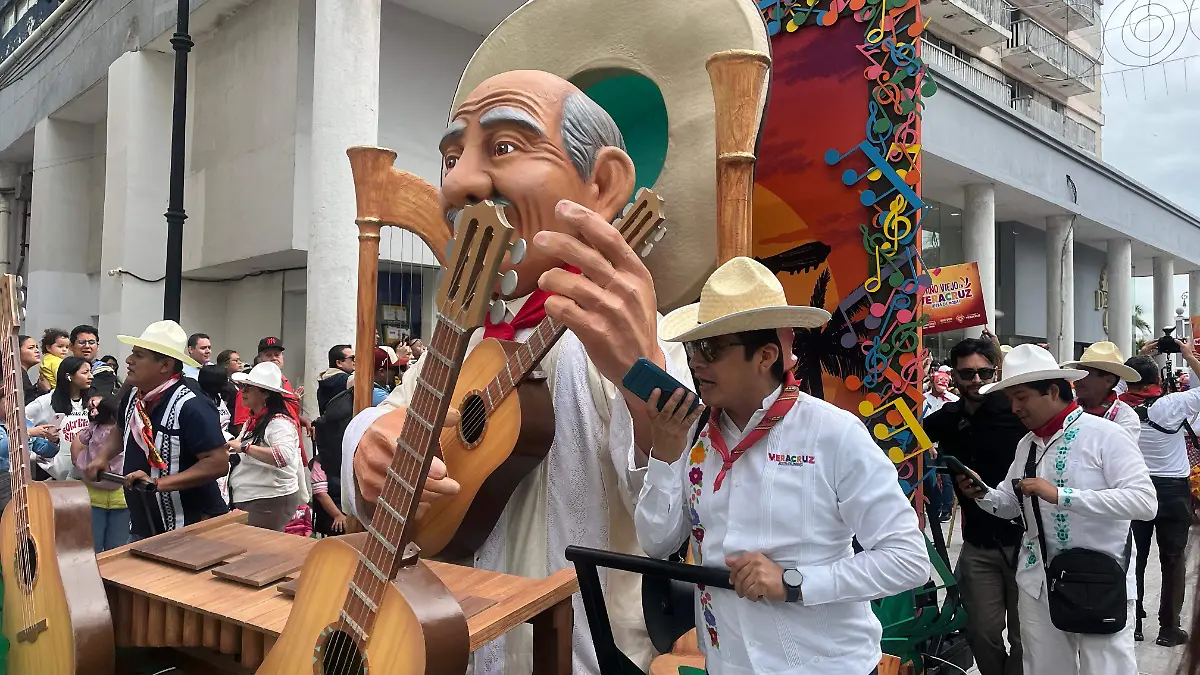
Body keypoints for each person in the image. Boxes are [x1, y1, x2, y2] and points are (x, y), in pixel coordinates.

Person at [346, 68, 692, 674]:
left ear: (602, 184)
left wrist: (643, 376)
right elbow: (386, 416)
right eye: (451, 157)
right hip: (447, 650)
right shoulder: (463, 337)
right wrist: (367, 450)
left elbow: (672, 521)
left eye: (503, 148)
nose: (462, 183)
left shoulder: (648, 342)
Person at [636, 257, 929, 674]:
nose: (696, 362)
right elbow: (656, 543)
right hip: (728, 663)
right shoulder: (694, 439)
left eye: (711, 348)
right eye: (692, 347)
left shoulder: (834, 434)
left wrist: (794, 583)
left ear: (766, 355)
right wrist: (664, 455)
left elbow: (908, 560)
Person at [955, 344, 1156, 675]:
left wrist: (1063, 495)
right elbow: (1009, 503)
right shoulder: (1027, 444)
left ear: (1051, 390)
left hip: (1100, 580)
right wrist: (982, 494)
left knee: (1106, 669)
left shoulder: (1106, 436)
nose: (1015, 408)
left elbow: (1145, 503)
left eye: (1021, 397)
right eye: (1010, 400)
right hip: (1038, 582)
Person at [922, 337, 1027, 675]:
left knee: (1027, 637)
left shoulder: (1017, 414)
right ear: (953, 375)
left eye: (984, 372)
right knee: (980, 632)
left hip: (1027, 544)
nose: (976, 381)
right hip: (978, 544)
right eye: (967, 374)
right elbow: (907, 435)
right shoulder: (947, 417)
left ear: (995, 372)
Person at [82, 320, 229, 539]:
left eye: (139, 355)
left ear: (165, 365)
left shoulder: (192, 404)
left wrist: (159, 484)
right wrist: (102, 456)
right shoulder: (134, 396)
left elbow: (217, 463)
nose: (128, 360)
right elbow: (121, 430)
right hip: (145, 525)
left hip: (193, 527)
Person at [1121, 342, 1200, 645]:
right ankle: (1169, 628)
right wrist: (1189, 355)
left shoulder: (1119, 406)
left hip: (1135, 488)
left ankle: (1135, 623)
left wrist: (1142, 352)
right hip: (1173, 492)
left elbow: (1117, 379)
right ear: (1156, 379)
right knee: (1173, 559)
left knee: (1134, 558)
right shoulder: (1173, 404)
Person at [227, 362, 306, 531]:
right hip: (261, 499)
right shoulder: (255, 420)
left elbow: (282, 456)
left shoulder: (278, 423)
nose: (243, 392)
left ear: (265, 394)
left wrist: (244, 447)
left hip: (269, 499)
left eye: (248, 388)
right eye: (243, 387)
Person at [72, 395, 129, 552]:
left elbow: (77, 444)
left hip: (92, 493)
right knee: (117, 547)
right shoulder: (126, 431)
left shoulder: (92, 428)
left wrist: (79, 462)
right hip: (121, 495)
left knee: (92, 548)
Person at [25, 356, 94, 480]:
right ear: (69, 376)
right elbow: (21, 422)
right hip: (54, 476)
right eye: (85, 372)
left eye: (90, 371)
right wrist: (34, 454)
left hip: (84, 474)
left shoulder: (91, 402)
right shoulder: (45, 402)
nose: (91, 376)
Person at [1062, 341, 1141, 442]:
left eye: (1085, 374)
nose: (1077, 380)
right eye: (1078, 373)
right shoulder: (1065, 403)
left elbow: (1118, 453)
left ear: (1109, 381)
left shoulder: (1126, 418)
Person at [232, 337, 309, 437]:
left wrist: (304, 421)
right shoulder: (250, 389)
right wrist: (247, 448)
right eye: (268, 355)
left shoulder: (284, 381)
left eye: (277, 355)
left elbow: (287, 412)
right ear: (259, 359)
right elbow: (242, 426)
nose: (274, 358)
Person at [922, 367, 958, 522]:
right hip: (926, 443)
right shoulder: (923, 399)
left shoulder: (954, 401)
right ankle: (933, 506)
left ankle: (946, 508)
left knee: (947, 475)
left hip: (945, 443)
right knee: (928, 476)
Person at [316, 344, 354, 415]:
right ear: (339, 363)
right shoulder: (346, 380)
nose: (355, 361)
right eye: (352, 358)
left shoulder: (325, 379)